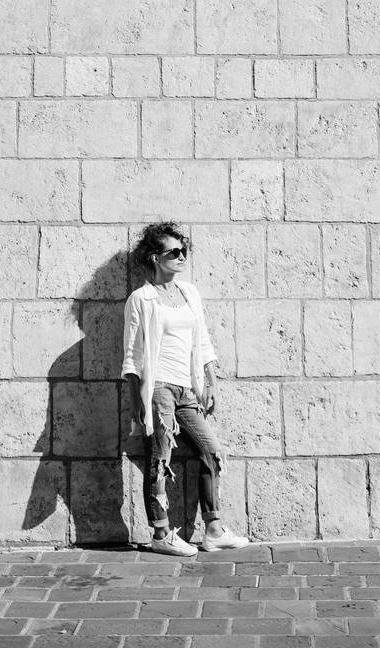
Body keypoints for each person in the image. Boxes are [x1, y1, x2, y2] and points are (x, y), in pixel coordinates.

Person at [122, 220, 248, 555]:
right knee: (160, 459)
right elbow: (133, 357)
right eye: (174, 252)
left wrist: (211, 379)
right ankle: (161, 534)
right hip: (159, 388)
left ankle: (214, 529)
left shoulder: (189, 292)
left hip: (186, 389)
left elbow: (202, 339)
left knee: (211, 450)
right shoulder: (142, 299)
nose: (181, 257)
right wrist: (137, 399)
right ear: (154, 258)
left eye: (184, 250)